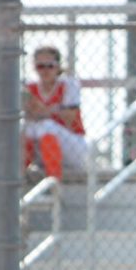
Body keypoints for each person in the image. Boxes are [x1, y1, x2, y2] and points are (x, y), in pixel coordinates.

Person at [23, 45, 88, 181]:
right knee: (25, 128)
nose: (45, 70)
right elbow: (29, 116)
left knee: (46, 126)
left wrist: (41, 111)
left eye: (50, 66)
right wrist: (55, 110)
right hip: (43, 150)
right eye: (41, 66)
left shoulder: (68, 84)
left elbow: (69, 118)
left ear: (58, 67)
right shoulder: (30, 87)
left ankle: (54, 183)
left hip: (73, 148)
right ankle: (20, 177)